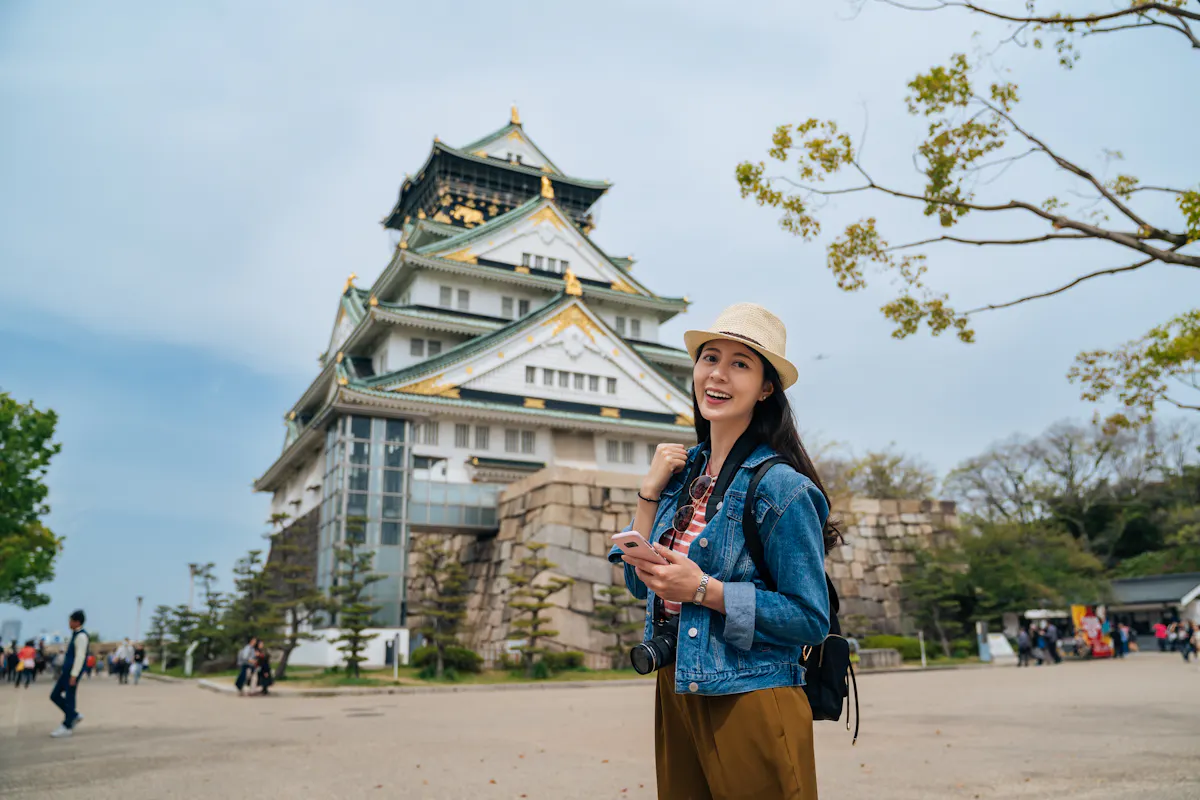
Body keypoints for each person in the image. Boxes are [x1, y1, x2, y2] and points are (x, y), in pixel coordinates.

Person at [609, 303, 833, 799]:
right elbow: (634, 583)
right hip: (677, 685)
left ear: (766, 387)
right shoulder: (682, 476)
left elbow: (810, 618)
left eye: (740, 364)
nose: (718, 374)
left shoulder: (781, 489)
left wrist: (704, 590)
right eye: (710, 357)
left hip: (750, 693)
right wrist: (648, 495)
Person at [49, 609, 89, 738]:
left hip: (72, 672)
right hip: (67, 671)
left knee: (70, 697)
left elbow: (80, 657)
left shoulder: (81, 636)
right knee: (55, 695)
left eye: (71, 620)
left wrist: (74, 674)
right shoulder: (75, 635)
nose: (69, 623)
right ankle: (73, 715)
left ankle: (67, 725)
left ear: (77, 622)